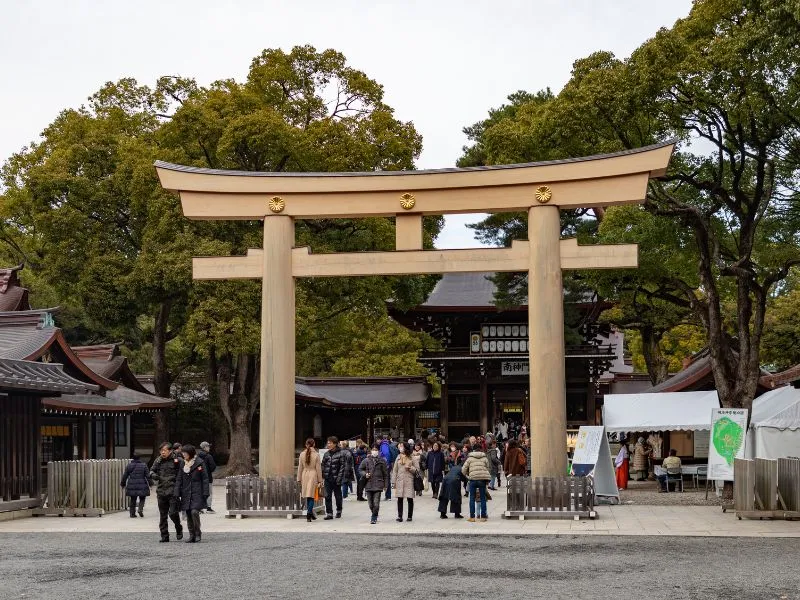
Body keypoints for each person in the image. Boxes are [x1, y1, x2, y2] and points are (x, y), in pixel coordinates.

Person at [173, 444, 209, 543]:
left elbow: (205, 479)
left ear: (191, 453)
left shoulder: (200, 463)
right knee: (188, 513)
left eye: (185, 453)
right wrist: (177, 491)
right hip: (186, 492)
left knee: (194, 512)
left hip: (197, 492)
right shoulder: (182, 464)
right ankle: (191, 535)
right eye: (183, 453)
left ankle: (198, 533)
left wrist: (206, 492)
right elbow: (179, 478)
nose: (183, 454)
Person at [149, 442, 184, 542]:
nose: (162, 452)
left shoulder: (178, 461)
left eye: (164, 450)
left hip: (173, 491)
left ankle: (178, 527)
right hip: (161, 491)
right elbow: (151, 470)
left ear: (170, 451)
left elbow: (183, 474)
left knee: (173, 513)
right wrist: (153, 475)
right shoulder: (158, 460)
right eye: (161, 451)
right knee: (162, 515)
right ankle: (164, 536)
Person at [359, 442, 389, 524]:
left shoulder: (382, 461)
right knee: (370, 504)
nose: (374, 451)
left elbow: (386, 474)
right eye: (373, 449)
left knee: (376, 503)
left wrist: (386, 485)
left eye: (376, 450)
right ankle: (374, 513)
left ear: (379, 451)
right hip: (368, 484)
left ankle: (374, 517)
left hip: (378, 484)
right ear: (370, 450)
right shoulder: (366, 460)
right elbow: (360, 469)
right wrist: (365, 474)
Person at [462, 443, 491, 522]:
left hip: (473, 480)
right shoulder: (485, 458)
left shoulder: (470, 458)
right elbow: (488, 469)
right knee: (482, 498)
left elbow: (463, 470)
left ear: (473, 449)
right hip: (482, 480)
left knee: (472, 498)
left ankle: (472, 517)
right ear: (481, 449)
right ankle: (483, 517)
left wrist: (468, 475)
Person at [321, 436, 348, 519]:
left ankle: (339, 510)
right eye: (328, 443)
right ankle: (329, 513)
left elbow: (342, 467)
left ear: (335, 444)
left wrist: (339, 478)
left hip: (336, 478)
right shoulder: (326, 454)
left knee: (338, 496)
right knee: (327, 496)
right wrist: (323, 475)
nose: (328, 444)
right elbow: (323, 465)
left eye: (330, 443)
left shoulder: (341, 454)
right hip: (327, 478)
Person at [391, 442, 419, 522]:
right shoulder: (398, 457)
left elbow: (417, 469)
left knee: (410, 498)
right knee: (399, 498)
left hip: (409, 480)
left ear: (405, 448)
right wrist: (393, 481)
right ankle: (400, 516)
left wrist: (410, 468)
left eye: (402, 446)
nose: (400, 448)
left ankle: (409, 516)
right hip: (400, 480)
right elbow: (395, 470)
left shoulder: (412, 457)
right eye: (400, 447)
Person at [297, 438, 322, 522]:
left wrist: (298, 478)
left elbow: (300, 467)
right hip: (313, 474)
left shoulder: (301, 454)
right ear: (314, 444)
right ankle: (309, 513)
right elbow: (318, 468)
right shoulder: (316, 455)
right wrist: (320, 480)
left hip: (305, 474)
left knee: (308, 495)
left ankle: (311, 513)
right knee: (311, 495)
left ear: (306, 445)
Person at [121, 454, 152, 518]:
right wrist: (151, 484)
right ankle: (140, 509)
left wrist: (123, 484)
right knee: (142, 498)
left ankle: (132, 514)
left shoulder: (129, 465)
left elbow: (125, 476)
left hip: (132, 484)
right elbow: (148, 476)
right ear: (139, 458)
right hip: (142, 484)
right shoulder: (144, 465)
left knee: (133, 499)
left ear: (132, 458)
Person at [197, 441, 217, 513]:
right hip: (208, 478)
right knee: (209, 492)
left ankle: (199, 508)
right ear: (205, 447)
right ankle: (208, 508)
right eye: (208, 446)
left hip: (199, 478)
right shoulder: (209, 456)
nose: (209, 448)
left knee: (200, 492)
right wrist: (208, 471)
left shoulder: (197, 456)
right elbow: (213, 467)